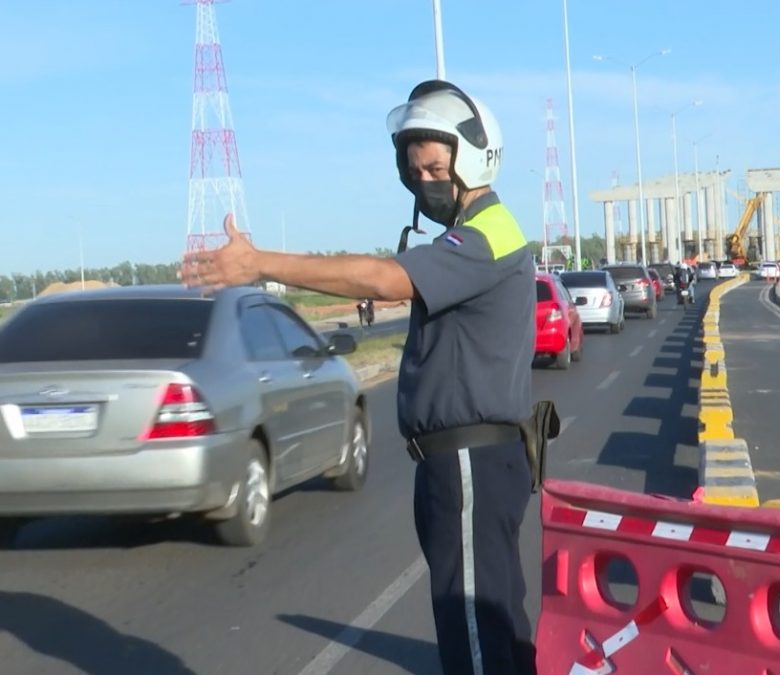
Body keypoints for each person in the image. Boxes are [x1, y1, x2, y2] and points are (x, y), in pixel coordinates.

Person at [180, 80, 539, 675]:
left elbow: (382, 278)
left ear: (475, 160)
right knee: (494, 628)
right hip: (463, 462)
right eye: (414, 172)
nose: (424, 183)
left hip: (469, 460)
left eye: (436, 168)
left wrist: (260, 263)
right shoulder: (471, 236)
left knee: (476, 638)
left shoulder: (486, 235)